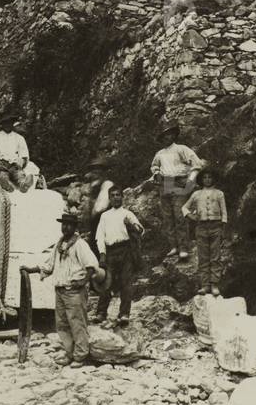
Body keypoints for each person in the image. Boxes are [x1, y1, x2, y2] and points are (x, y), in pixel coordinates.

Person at [21, 211, 99, 367]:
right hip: (60, 290)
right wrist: (31, 269)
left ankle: (81, 356)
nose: (66, 227)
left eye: (69, 224)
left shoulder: (80, 244)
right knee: (62, 324)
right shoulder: (59, 244)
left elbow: (91, 265)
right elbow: (49, 266)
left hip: (74, 290)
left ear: (75, 227)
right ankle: (70, 353)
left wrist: (83, 281)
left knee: (77, 322)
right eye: (64, 224)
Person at [150, 121, 204, 261]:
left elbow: (197, 164)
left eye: (169, 134)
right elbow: (155, 166)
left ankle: (184, 248)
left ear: (174, 135)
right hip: (165, 184)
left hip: (180, 182)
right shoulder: (159, 153)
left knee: (180, 215)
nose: (167, 138)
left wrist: (191, 180)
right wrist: (156, 173)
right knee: (168, 217)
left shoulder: (182, 149)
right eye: (164, 136)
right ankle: (173, 246)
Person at [94, 187, 145, 327]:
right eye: (113, 195)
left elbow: (141, 230)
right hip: (110, 251)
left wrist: (132, 225)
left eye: (118, 195)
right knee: (107, 282)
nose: (116, 197)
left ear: (122, 197)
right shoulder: (104, 216)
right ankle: (101, 313)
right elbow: (99, 236)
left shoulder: (127, 213)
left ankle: (124, 314)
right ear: (109, 199)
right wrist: (102, 254)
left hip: (125, 250)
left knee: (125, 282)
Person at [182, 167, 228, 297]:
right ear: (201, 180)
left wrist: (223, 226)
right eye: (205, 178)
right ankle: (205, 285)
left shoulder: (219, 193)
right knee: (203, 257)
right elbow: (184, 208)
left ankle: (214, 284)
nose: (207, 180)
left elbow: (224, 211)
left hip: (216, 226)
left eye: (210, 177)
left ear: (213, 179)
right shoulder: (196, 194)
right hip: (201, 228)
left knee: (215, 256)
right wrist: (191, 216)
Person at [0, 108, 35, 192]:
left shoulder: (19, 138)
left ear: (12, 123)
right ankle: (6, 184)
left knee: (19, 174)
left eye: (10, 122)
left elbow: (24, 154)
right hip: (0, 165)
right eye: (5, 122)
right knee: (2, 175)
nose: (7, 124)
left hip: (14, 165)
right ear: (2, 124)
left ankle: (23, 184)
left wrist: (21, 162)